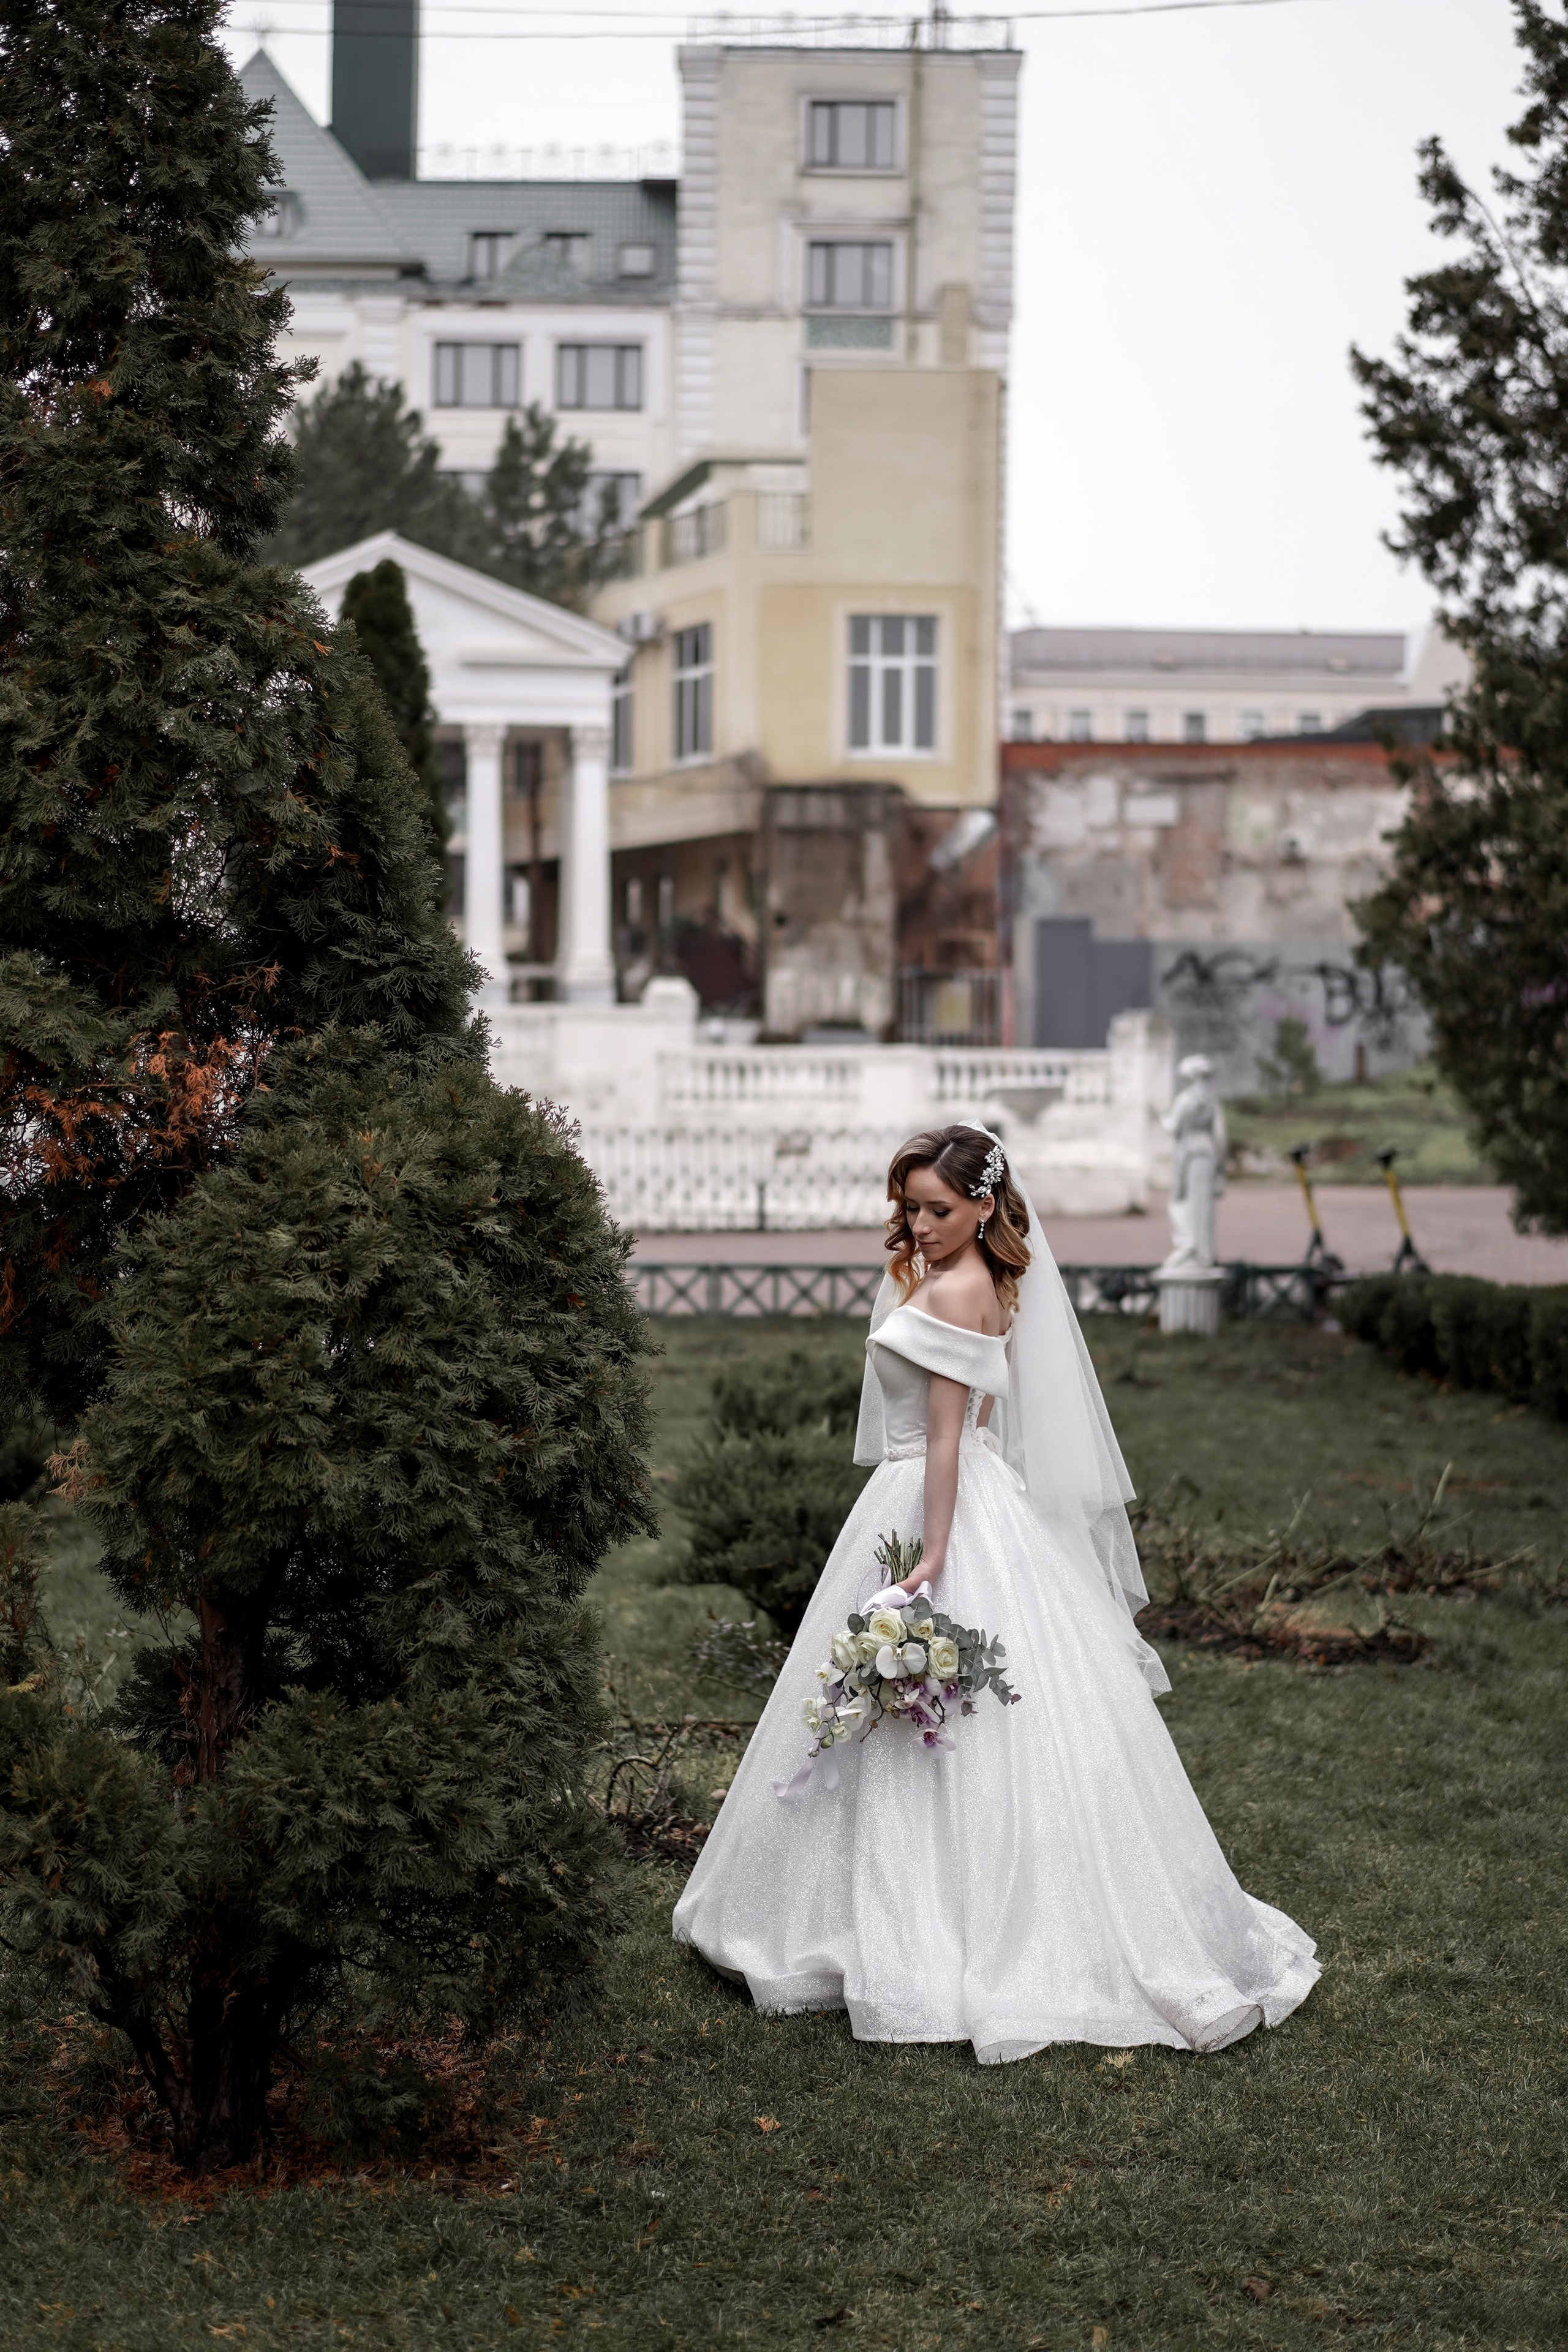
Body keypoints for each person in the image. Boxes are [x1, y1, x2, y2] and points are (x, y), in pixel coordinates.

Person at [673, 1123, 1317, 2062]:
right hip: (973, 1498)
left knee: (931, 1714)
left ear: (983, 1205)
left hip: (943, 1504)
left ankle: (926, 1926)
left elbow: (942, 1437)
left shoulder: (957, 1287)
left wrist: (932, 1558)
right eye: (910, 1208)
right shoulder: (987, 1281)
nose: (921, 1224)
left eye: (939, 1208)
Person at [1161, 1053, 1227, 1272]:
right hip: (1206, 1153)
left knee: (1185, 1203)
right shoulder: (1210, 1101)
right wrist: (1221, 1169)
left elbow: (1173, 1127)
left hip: (1189, 1153)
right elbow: (1220, 1137)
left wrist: (1159, 1116)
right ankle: (1204, 1252)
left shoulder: (1185, 1100)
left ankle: (1190, 1247)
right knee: (1203, 1207)